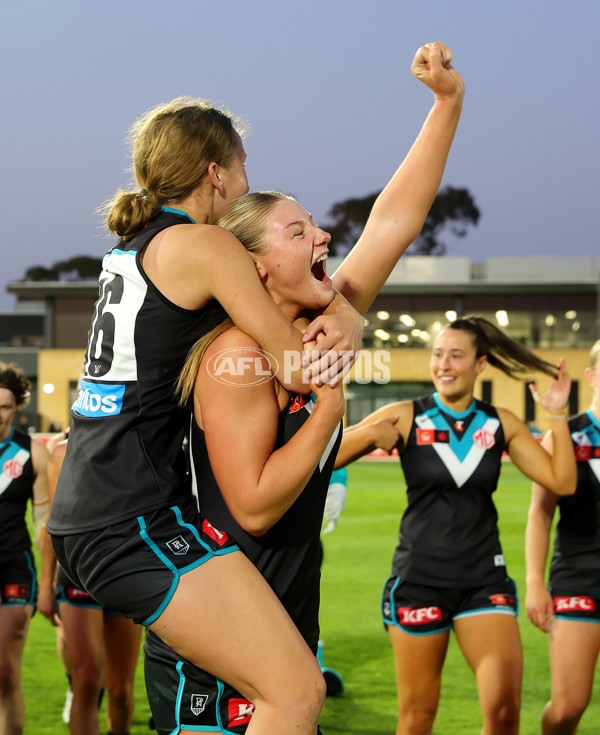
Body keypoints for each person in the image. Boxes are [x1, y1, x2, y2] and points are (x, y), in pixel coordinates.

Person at [144, 41, 466, 734]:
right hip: (215, 651)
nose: (323, 235)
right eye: (298, 230)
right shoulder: (234, 353)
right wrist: (328, 407)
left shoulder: (320, 324)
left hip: (281, 634)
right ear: (252, 268)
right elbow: (255, 507)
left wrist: (447, 104)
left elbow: (393, 222)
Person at [47, 93, 365, 735]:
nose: (248, 181)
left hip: (92, 510)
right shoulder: (205, 246)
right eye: (243, 166)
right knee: (298, 690)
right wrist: (349, 320)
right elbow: (299, 366)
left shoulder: (133, 249)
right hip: (127, 515)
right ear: (215, 173)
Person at [359, 316, 577, 735]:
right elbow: (327, 455)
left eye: (456, 355)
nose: (443, 364)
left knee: (503, 714)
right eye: (438, 354)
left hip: (483, 582)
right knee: (418, 719)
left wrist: (557, 415)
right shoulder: (406, 416)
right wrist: (368, 437)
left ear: (480, 364)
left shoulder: (501, 423)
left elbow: (562, 482)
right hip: (418, 581)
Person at [38, 435, 142, 735]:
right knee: (85, 681)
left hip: (125, 571)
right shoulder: (61, 453)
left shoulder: (138, 441)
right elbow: (52, 523)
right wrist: (45, 584)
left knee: (120, 692)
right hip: (77, 574)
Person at [525, 338, 600, 735]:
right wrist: (536, 583)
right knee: (570, 705)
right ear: (591, 376)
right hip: (578, 577)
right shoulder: (566, 435)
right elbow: (540, 513)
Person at [0, 362, 49, 735]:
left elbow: (43, 522)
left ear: (17, 407)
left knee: (4, 673)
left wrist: (48, 578)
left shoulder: (32, 452)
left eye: (4, 405)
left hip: (14, 566)